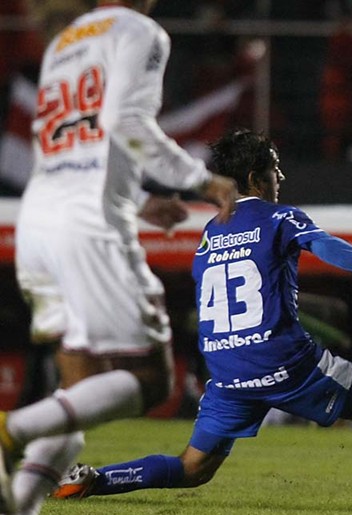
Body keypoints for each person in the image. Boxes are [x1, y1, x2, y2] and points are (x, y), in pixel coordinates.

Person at [50, 129, 352, 515]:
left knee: (193, 468)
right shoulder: (279, 216)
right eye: (276, 170)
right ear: (258, 177)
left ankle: (92, 480)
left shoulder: (212, 231)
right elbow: (327, 245)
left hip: (225, 371)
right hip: (280, 359)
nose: (282, 179)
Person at [0, 0, 238, 513]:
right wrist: (202, 180)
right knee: (153, 379)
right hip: (87, 227)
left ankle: (18, 505)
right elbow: (123, 121)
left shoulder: (65, 41)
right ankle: (9, 430)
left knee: (76, 398)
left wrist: (139, 199)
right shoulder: (138, 29)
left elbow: (72, 147)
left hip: (39, 221)